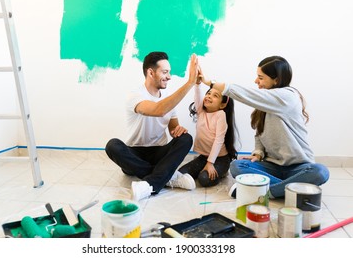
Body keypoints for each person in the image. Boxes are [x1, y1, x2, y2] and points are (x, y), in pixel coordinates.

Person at [198, 56, 330, 198]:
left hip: (298, 167)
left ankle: (268, 192)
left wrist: (210, 83)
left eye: (260, 77)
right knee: (237, 166)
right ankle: (291, 189)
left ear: (276, 80)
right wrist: (258, 153)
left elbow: (245, 94)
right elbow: (259, 134)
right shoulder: (263, 105)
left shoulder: (288, 97)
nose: (256, 81)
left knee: (320, 172)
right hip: (272, 166)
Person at [105, 52, 199, 201]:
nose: (169, 76)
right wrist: (189, 83)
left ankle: (150, 183)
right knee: (112, 145)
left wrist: (178, 131)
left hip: (159, 153)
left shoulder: (168, 98)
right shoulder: (135, 95)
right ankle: (167, 177)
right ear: (150, 72)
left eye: (169, 72)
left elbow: (174, 129)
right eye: (165, 72)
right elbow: (158, 110)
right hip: (135, 153)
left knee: (186, 139)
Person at [178, 79, 238, 187]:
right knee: (180, 174)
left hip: (220, 159)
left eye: (215, 96)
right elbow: (198, 97)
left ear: (222, 105)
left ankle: (223, 170)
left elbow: (219, 140)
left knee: (204, 179)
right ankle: (204, 166)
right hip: (204, 156)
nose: (209, 96)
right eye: (209, 93)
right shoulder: (201, 111)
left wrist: (210, 163)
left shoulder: (220, 115)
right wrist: (197, 84)